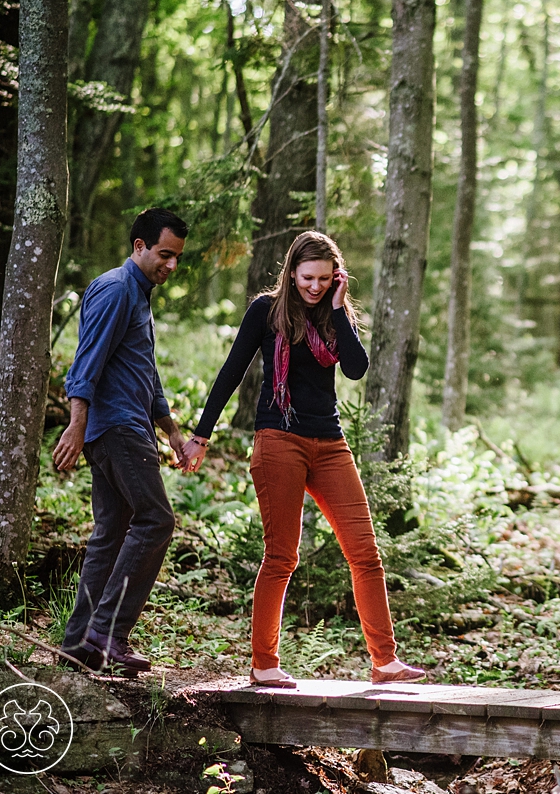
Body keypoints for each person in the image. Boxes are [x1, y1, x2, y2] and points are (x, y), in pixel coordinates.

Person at [182, 231, 425, 688]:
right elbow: (231, 372)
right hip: (280, 441)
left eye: (324, 278)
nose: (315, 286)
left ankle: (385, 661)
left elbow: (355, 368)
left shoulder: (336, 315)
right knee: (281, 556)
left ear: (337, 278)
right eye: (307, 277)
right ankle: (264, 663)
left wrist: (337, 307)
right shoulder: (266, 312)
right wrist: (201, 434)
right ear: (291, 273)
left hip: (330, 444)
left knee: (366, 554)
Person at [54, 208, 190, 677]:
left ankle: (78, 645)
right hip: (116, 427)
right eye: (164, 254)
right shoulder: (116, 289)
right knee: (156, 520)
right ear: (139, 247)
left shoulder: (139, 295)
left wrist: (171, 431)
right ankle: (107, 632)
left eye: (177, 258)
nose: (170, 265)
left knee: (111, 531)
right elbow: (86, 363)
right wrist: (77, 424)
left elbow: (144, 373)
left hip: (128, 424)